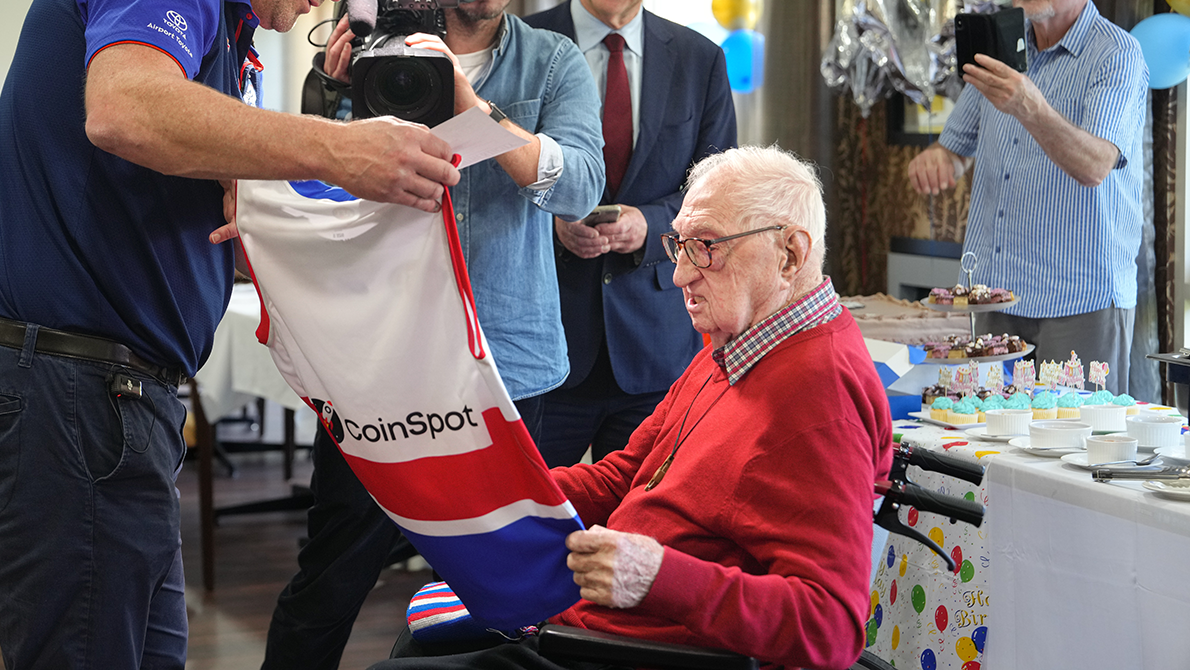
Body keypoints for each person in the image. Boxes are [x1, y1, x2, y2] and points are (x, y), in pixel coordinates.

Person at [0, 0, 464, 670]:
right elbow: (124, 109)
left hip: (110, 394)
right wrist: (335, 149)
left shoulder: (228, 31)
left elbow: (178, 172)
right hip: (68, 386)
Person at [261, 0, 605, 670]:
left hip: (510, 364)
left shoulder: (552, 62)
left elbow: (581, 187)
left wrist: (469, 106)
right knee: (330, 580)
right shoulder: (371, 46)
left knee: (515, 593)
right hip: (381, 369)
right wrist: (329, 94)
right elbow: (319, 195)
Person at [366, 144, 892, 670]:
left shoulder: (821, 395)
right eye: (680, 245)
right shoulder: (740, 343)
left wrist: (657, 576)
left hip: (636, 652)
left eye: (706, 247)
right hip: (597, 621)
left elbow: (830, 627)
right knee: (419, 641)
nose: (680, 275)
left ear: (790, 255)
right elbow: (627, 474)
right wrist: (503, 492)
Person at [524, 0, 737, 467]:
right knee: (535, 516)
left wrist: (650, 224)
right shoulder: (522, 44)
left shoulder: (700, 60)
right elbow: (481, 174)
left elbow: (719, 192)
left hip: (655, 348)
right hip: (543, 342)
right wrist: (554, 220)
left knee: (643, 518)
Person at [907, 0, 1148, 393]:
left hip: (1080, 299)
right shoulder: (999, 48)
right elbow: (954, 149)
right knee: (987, 431)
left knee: (1076, 435)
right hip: (996, 297)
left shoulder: (1116, 54)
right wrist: (938, 161)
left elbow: (1095, 165)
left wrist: (1029, 106)